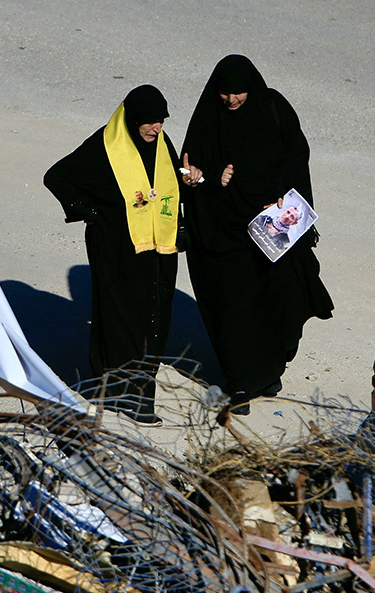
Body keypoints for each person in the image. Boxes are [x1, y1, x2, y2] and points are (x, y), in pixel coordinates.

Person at [181, 55, 333, 414]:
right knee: (234, 311)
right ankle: (241, 385)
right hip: (224, 236)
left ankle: (268, 372)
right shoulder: (208, 118)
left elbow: (296, 154)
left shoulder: (273, 107)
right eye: (224, 93)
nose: (231, 100)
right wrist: (210, 178)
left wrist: (284, 188)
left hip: (269, 233)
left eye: (239, 92)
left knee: (277, 303)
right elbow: (190, 172)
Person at [44, 85, 197, 424]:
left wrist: (190, 181)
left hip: (158, 248)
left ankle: (129, 389)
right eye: (149, 122)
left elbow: (165, 189)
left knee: (154, 317)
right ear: (131, 119)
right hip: (115, 248)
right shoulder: (105, 146)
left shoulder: (161, 145)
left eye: (161, 121)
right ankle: (133, 396)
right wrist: (88, 211)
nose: (155, 129)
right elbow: (56, 177)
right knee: (121, 318)